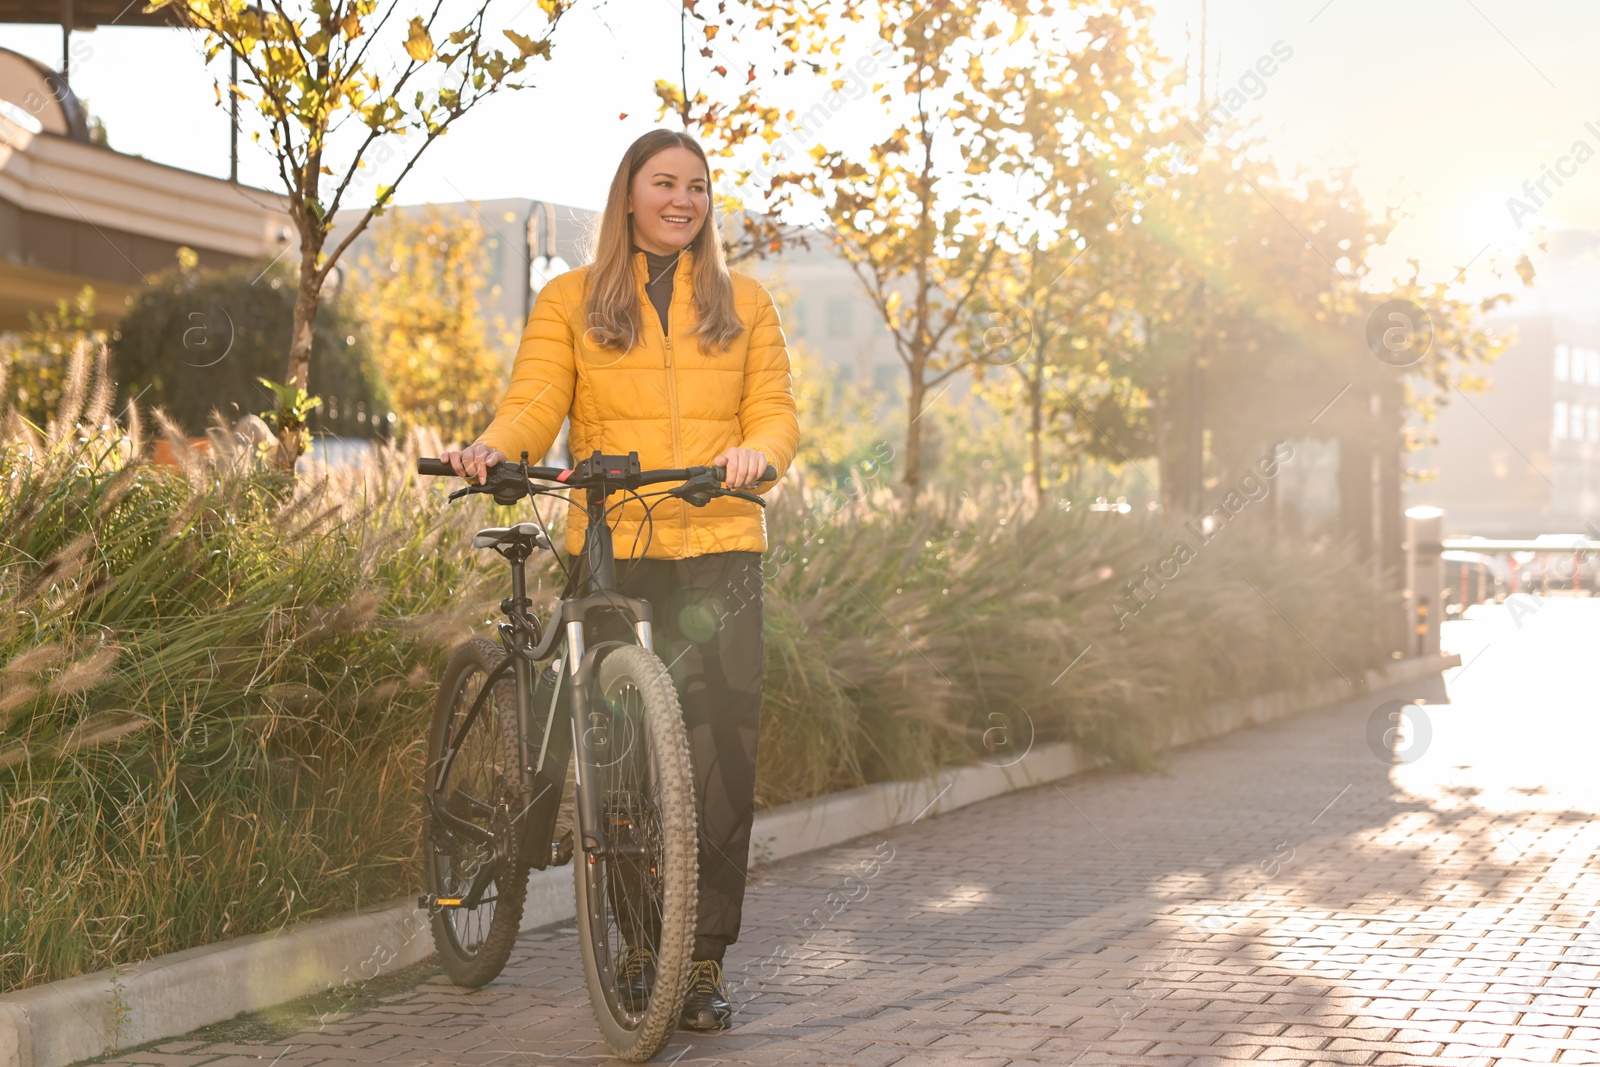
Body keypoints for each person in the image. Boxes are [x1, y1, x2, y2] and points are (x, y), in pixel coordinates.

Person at [441, 128, 799, 1032]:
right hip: (615, 541)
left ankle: (703, 960)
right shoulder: (572, 299)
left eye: (698, 187)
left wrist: (759, 453)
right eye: (664, 183)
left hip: (721, 543)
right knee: (619, 758)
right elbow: (534, 400)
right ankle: (641, 949)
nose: (683, 200)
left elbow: (775, 411)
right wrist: (498, 448)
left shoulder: (746, 302)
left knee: (721, 759)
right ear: (629, 195)